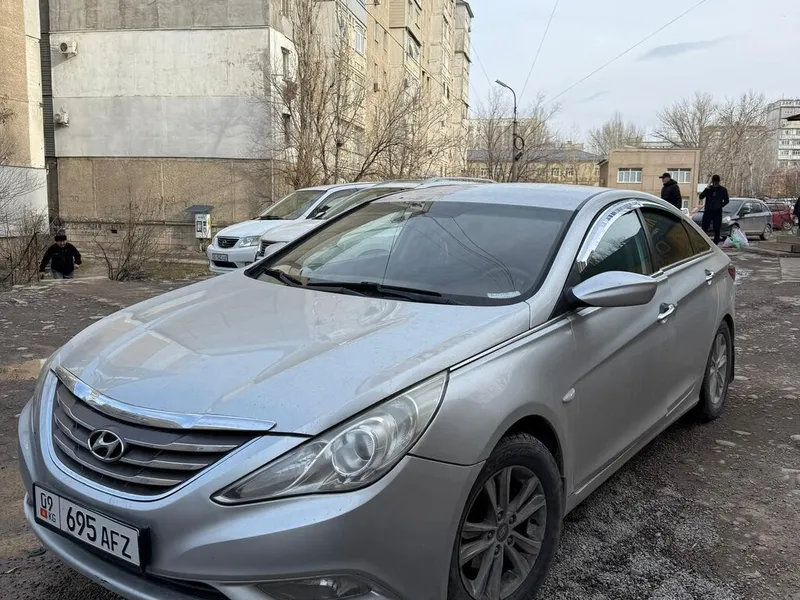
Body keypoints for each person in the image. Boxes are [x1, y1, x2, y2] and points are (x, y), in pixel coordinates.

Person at [699, 175, 730, 244]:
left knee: (717, 228)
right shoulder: (709, 189)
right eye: (714, 182)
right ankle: (703, 241)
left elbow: (726, 200)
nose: (715, 184)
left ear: (718, 182)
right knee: (704, 227)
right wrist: (707, 188)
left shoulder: (722, 190)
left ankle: (716, 242)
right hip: (708, 211)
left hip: (717, 212)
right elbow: (701, 196)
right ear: (712, 182)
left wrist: (720, 205)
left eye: (716, 182)